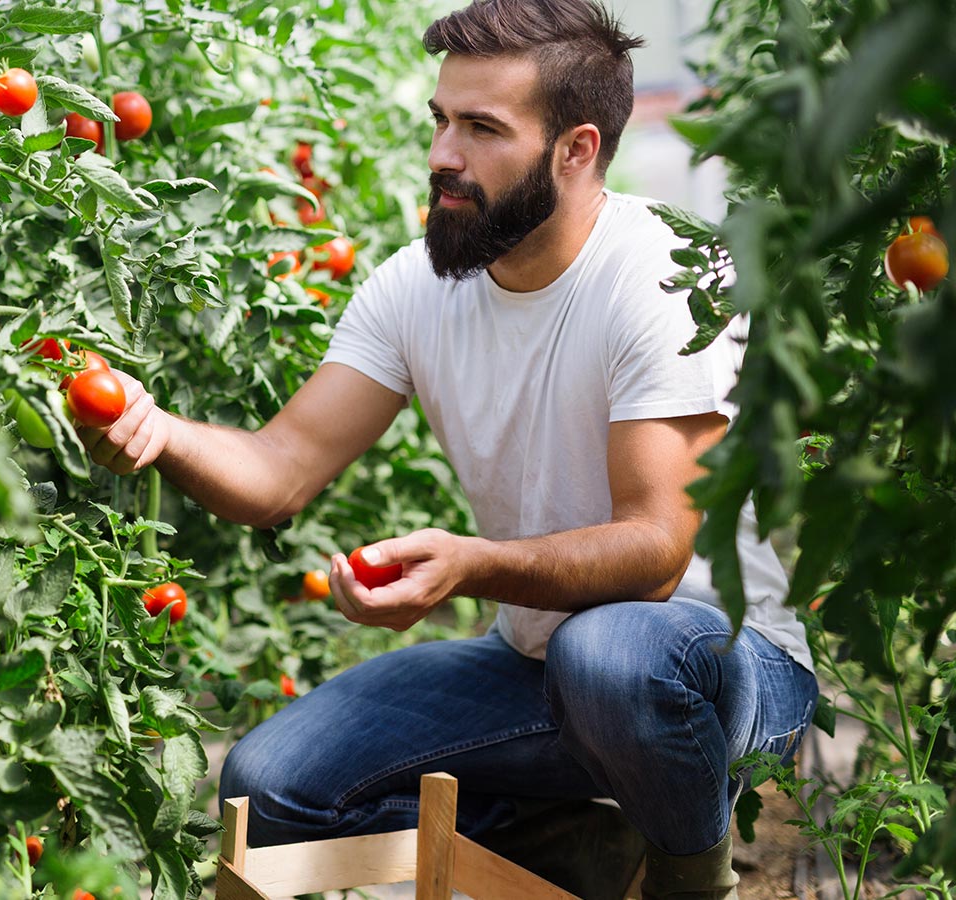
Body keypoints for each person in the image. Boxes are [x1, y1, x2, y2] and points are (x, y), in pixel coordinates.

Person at [76, 1, 817, 897]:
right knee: (270, 787)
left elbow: (657, 552)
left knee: (611, 655)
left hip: (719, 667)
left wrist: (471, 565)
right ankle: (580, 848)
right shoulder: (415, 288)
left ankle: (688, 879)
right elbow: (278, 471)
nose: (441, 155)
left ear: (576, 149)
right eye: (441, 120)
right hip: (540, 668)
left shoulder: (665, 273)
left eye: (481, 129)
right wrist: (158, 433)